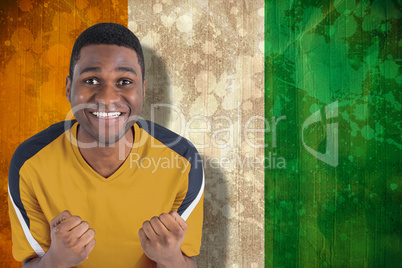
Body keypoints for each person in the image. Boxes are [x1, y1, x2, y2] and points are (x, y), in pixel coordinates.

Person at [8, 23, 204, 268]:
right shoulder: (29, 163)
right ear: (69, 88)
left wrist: (171, 259)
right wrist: (55, 261)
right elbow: (31, 262)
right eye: (91, 80)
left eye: (124, 81)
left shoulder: (183, 161)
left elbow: (188, 262)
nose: (107, 98)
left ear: (143, 89)